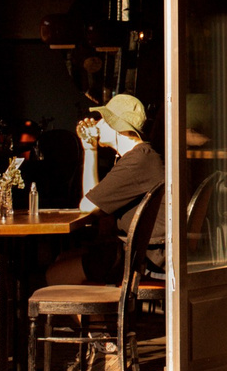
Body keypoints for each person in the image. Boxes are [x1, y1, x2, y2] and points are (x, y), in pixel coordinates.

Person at [40, 93, 164, 290]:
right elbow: (93, 200)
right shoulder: (141, 157)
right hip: (142, 252)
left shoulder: (136, 162)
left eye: (103, 120)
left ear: (118, 128)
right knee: (63, 258)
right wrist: (90, 150)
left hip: (144, 258)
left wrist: (91, 150)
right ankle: (99, 320)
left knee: (54, 275)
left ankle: (98, 320)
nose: (97, 125)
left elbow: (87, 207)